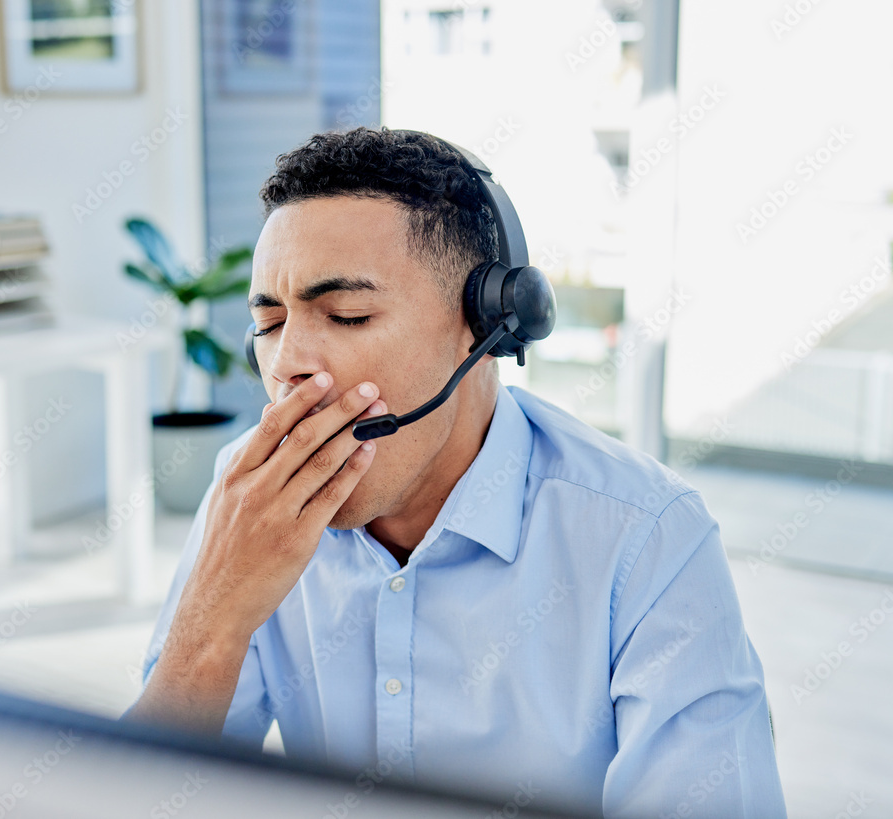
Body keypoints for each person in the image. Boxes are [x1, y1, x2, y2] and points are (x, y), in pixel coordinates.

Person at [124, 127, 787, 818]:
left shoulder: (646, 537)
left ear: (489, 325)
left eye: (346, 315)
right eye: (268, 322)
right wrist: (212, 624)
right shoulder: (250, 499)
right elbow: (136, 799)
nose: (287, 362)